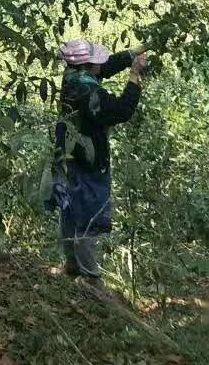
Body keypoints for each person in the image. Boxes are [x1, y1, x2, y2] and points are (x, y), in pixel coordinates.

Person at [50, 40, 147, 284]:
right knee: (88, 218)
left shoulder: (73, 77)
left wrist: (131, 54)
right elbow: (121, 110)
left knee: (70, 211)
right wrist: (135, 76)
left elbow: (105, 67)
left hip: (67, 157)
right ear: (89, 66)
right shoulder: (90, 93)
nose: (100, 65)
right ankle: (91, 279)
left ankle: (72, 266)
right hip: (88, 162)